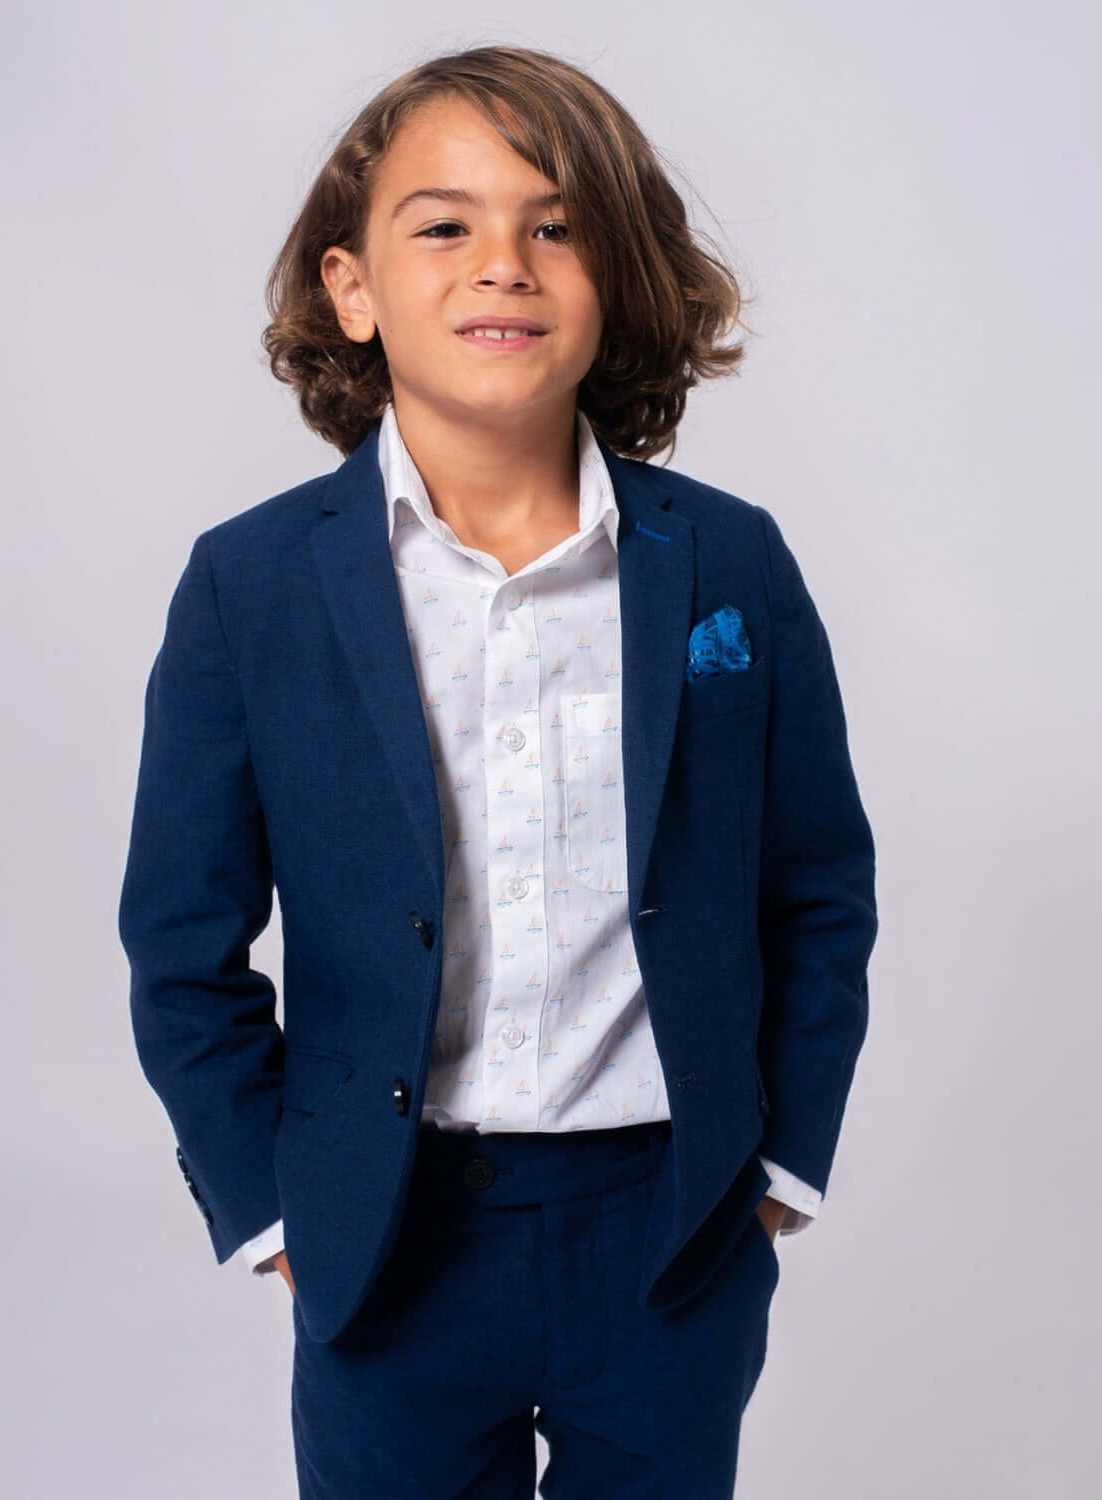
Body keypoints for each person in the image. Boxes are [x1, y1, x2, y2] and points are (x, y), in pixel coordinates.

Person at [118, 42, 878, 1499]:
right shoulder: (250, 585)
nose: (505, 266)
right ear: (352, 286)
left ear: (619, 274)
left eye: (556, 224)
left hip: (666, 1223)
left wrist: (777, 1168)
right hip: (390, 1236)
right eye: (444, 224)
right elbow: (181, 940)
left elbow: (815, 884)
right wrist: (278, 1209)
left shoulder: (730, 560)